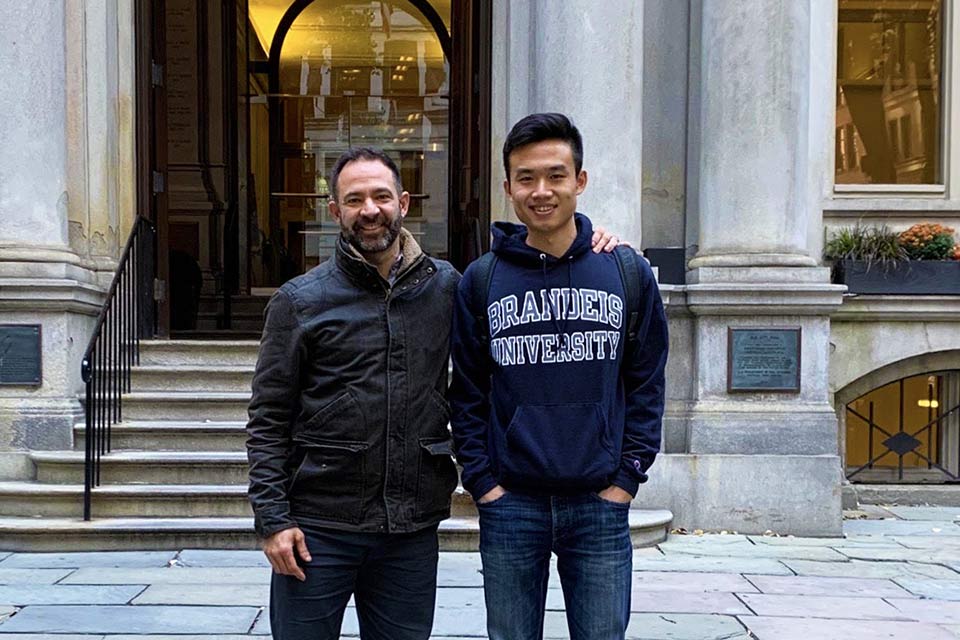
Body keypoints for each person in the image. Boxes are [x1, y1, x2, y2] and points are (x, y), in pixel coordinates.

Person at [245, 145, 623, 640]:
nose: (370, 210)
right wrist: (273, 520)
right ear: (335, 211)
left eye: (381, 196)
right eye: (354, 200)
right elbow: (268, 418)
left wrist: (591, 246)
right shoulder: (300, 301)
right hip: (318, 527)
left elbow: (506, 347)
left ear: (403, 203)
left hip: (410, 530)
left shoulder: (447, 286)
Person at [449, 113, 669, 640]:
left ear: (580, 181)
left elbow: (647, 383)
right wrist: (482, 483)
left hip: (598, 504)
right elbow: (467, 393)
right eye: (526, 178)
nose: (541, 191)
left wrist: (627, 479)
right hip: (512, 506)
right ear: (508, 188)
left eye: (556, 175)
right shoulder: (482, 280)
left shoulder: (624, 272)